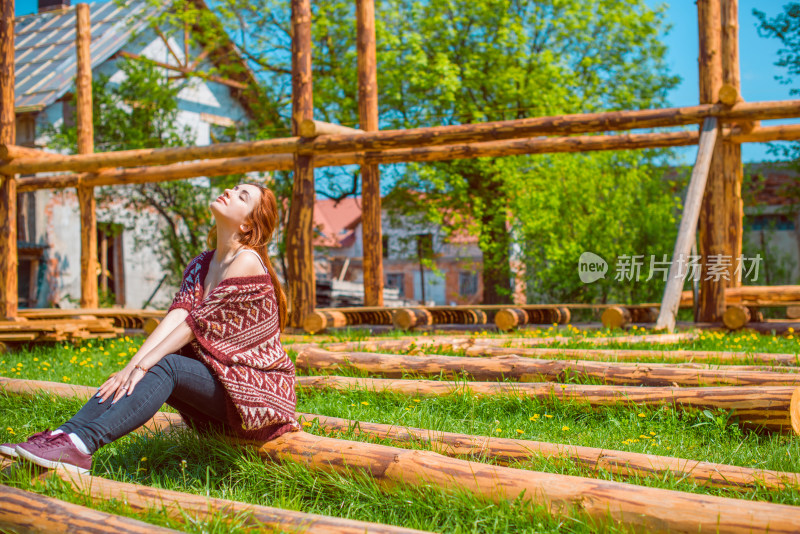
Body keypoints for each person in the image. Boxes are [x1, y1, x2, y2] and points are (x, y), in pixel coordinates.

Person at [0, 184, 300, 474]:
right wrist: (130, 367)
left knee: (166, 365)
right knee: (134, 372)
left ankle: (80, 446)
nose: (229, 192)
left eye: (241, 196)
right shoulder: (203, 262)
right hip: (223, 391)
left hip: (257, 403)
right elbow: (178, 313)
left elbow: (192, 326)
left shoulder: (247, 261)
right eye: (234, 188)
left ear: (248, 225)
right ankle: (61, 436)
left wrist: (144, 365)